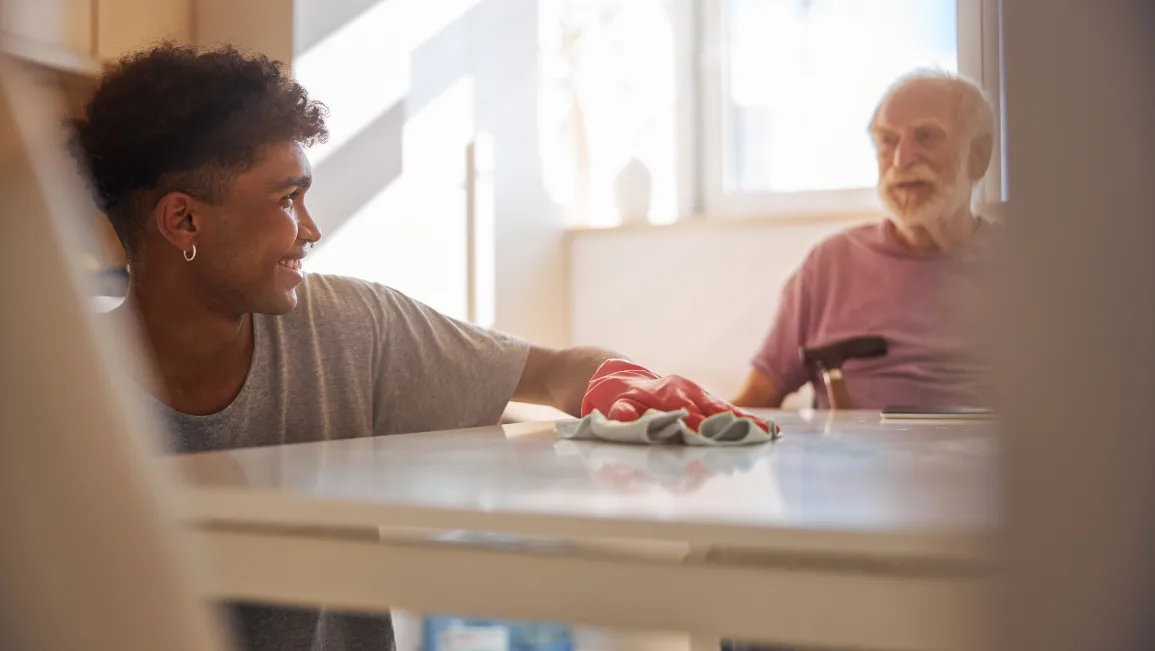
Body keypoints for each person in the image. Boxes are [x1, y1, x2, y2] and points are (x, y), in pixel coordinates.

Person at [67, 44, 761, 651]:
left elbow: (553, 373)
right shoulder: (58, 386)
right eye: (287, 199)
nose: (310, 230)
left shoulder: (349, 325)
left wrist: (619, 381)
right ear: (182, 218)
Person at [733, 69, 998, 410]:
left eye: (927, 137)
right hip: (850, 463)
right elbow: (757, 399)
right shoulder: (830, 264)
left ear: (979, 156)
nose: (901, 161)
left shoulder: (1026, 268)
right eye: (888, 141)